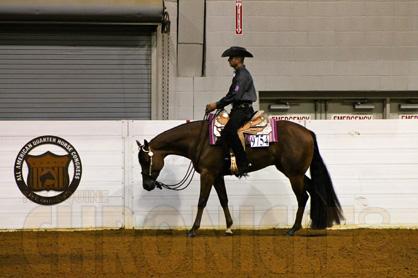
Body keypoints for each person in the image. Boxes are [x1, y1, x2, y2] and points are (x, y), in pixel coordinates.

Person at [205, 46, 257, 177]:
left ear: (238, 59)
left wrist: (216, 105)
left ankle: (243, 163)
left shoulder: (242, 75)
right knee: (224, 133)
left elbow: (235, 95)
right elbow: (231, 94)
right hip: (237, 109)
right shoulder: (239, 74)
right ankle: (227, 160)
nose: (229, 60)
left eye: (231, 58)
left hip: (243, 110)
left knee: (229, 131)